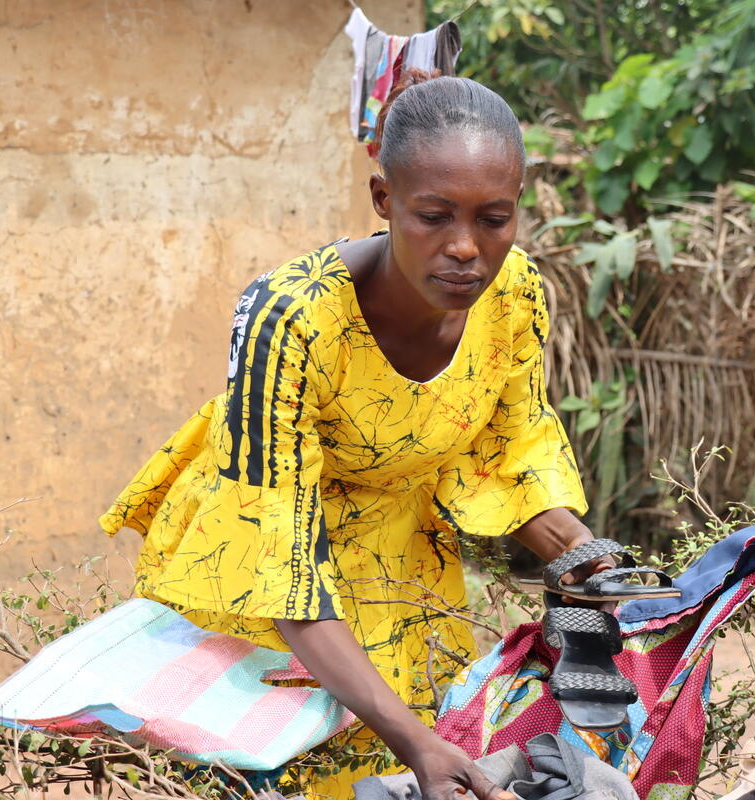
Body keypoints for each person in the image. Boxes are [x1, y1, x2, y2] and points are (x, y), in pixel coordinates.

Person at [100, 71, 610, 800]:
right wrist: (412, 742)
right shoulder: (292, 318)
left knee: (411, 773)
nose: (466, 247)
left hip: (403, 571)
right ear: (383, 200)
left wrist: (585, 560)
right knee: (280, 769)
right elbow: (281, 567)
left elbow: (507, 454)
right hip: (263, 572)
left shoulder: (514, 293)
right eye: (434, 216)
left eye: (494, 219)